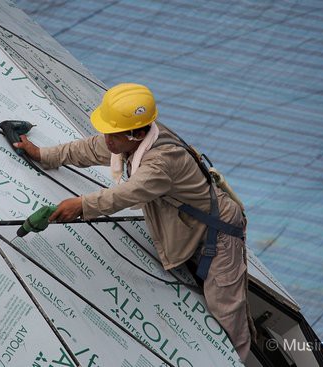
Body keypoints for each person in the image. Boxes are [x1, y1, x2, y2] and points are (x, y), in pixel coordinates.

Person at [14, 83, 255, 361]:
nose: (106, 140)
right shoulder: (136, 138)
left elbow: (127, 194)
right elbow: (90, 149)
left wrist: (81, 205)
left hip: (219, 236)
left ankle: (239, 360)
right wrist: (44, 155)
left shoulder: (160, 163)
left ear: (137, 133)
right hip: (187, 227)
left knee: (226, 312)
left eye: (113, 135)